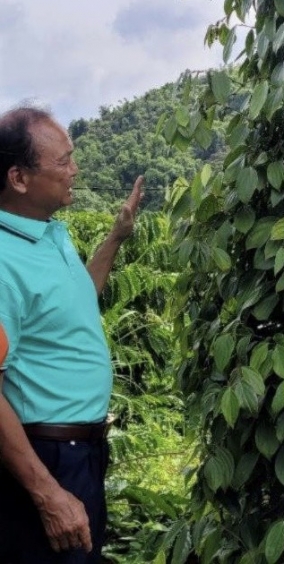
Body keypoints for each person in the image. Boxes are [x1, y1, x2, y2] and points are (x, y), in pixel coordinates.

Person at [0, 106, 143, 563]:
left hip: (81, 453)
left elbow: (76, 299)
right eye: (62, 162)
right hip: (44, 459)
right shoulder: (3, 262)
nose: (74, 169)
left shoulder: (47, 233)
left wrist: (117, 236)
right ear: (19, 178)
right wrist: (46, 493)